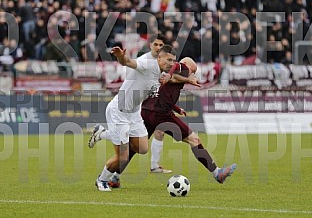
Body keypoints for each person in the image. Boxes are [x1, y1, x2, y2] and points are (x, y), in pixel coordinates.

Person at [107, 57, 236, 188]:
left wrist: (177, 108)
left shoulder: (163, 73)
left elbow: (162, 91)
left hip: (146, 112)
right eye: (193, 70)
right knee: (194, 140)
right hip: (161, 115)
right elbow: (175, 71)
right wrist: (187, 78)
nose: (193, 73)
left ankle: (114, 177)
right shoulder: (182, 68)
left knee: (135, 147)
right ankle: (217, 173)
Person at [88, 44, 177, 192]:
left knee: (142, 148)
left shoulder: (161, 75)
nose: (171, 64)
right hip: (119, 111)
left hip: (134, 113)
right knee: (123, 157)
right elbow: (128, 62)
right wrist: (120, 56)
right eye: (168, 60)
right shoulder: (148, 65)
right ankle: (102, 180)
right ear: (159, 57)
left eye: (173, 61)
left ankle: (103, 133)